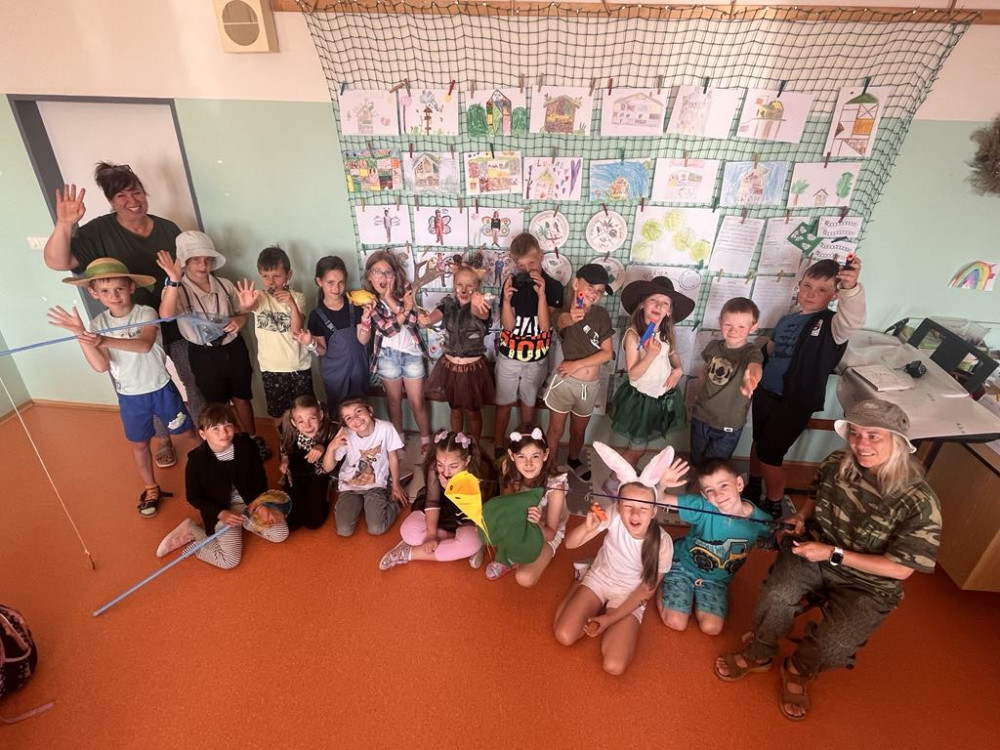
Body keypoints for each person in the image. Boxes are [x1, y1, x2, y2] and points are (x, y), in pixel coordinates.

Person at [714, 399, 942, 721]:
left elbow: (900, 569)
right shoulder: (837, 462)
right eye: (855, 433)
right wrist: (801, 518)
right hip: (814, 551)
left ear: (899, 442)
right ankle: (759, 652)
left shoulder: (920, 502)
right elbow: (816, 497)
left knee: (836, 644)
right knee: (776, 596)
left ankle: (798, 669)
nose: (860, 444)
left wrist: (833, 553)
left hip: (869, 584)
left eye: (873, 436)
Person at [42, 162, 201, 469]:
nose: (132, 200)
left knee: (190, 377)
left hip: (173, 319)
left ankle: (201, 433)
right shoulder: (98, 231)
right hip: (128, 329)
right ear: (111, 201)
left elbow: (187, 272)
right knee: (146, 384)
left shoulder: (168, 229)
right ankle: (163, 439)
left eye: (137, 192)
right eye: (122, 196)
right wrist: (64, 224)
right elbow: (57, 262)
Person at [47, 258, 198, 517]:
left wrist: (102, 340)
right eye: (104, 291)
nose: (113, 296)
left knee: (188, 435)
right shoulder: (98, 324)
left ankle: (208, 472)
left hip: (161, 389)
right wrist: (82, 335)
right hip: (130, 396)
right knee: (139, 444)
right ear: (93, 293)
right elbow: (100, 366)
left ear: (131, 287)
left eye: (119, 288)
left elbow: (145, 345)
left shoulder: (146, 313)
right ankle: (151, 488)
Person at [552, 443, 687, 676]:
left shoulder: (664, 544)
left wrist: (609, 618)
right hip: (600, 579)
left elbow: (646, 590)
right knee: (564, 635)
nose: (635, 514)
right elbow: (569, 544)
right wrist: (586, 528)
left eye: (644, 508)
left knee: (614, 666)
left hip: (629, 594)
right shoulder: (611, 513)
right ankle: (580, 579)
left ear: (654, 511)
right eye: (628, 506)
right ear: (618, 504)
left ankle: (605, 608)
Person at [746, 258, 865, 519]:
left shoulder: (833, 325)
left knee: (770, 455)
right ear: (799, 285)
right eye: (808, 286)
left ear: (834, 295)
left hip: (794, 403)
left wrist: (851, 287)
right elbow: (769, 352)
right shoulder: (787, 320)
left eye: (822, 290)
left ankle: (773, 503)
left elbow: (853, 318)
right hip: (765, 393)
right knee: (758, 442)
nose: (811, 294)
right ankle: (753, 486)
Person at [156, 232, 270, 460]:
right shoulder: (177, 289)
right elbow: (166, 315)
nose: (203, 265)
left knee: (242, 397)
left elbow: (241, 313)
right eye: (196, 260)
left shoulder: (224, 285)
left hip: (233, 347)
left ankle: (251, 439)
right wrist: (173, 279)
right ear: (184, 262)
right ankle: (227, 444)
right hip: (203, 353)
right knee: (218, 404)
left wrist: (242, 317)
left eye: (207, 259)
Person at [155, 404, 289, 569]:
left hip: (251, 503)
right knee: (228, 561)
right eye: (215, 429)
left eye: (228, 426)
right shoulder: (196, 460)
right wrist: (221, 513)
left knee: (280, 534)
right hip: (221, 510)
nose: (224, 433)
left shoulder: (247, 445)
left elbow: (260, 478)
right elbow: (194, 497)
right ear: (203, 434)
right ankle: (192, 530)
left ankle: (245, 523)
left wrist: (260, 505)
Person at [657, 458, 773, 636]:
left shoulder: (762, 520)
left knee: (712, 628)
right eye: (710, 490)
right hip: (683, 566)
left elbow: (773, 539)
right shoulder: (702, 506)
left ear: (739, 484)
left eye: (724, 485)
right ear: (704, 496)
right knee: (676, 622)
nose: (718, 495)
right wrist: (661, 484)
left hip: (716, 580)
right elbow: (660, 499)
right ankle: (663, 579)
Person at [606, 275, 694, 490]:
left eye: (665, 303)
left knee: (641, 447)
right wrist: (650, 355)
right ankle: (612, 481)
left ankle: (627, 471)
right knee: (637, 448)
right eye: (654, 300)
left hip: (660, 398)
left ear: (669, 311)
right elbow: (634, 375)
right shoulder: (633, 335)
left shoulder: (665, 332)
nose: (659, 306)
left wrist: (678, 369)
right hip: (640, 402)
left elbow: (672, 353)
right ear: (642, 305)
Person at [493, 233, 564, 463]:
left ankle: (527, 446)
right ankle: (498, 446)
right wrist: (506, 301)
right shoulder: (512, 283)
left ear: (541, 256)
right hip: (509, 356)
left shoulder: (554, 287)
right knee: (503, 404)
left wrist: (541, 295)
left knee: (529, 405)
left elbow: (544, 326)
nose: (527, 270)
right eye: (521, 266)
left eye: (531, 263)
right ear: (515, 264)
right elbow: (508, 325)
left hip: (536, 358)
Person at [378, 430, 489, 570]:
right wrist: (431, 534)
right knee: (408, 532)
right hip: (441, 513)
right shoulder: (434, 468)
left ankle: (409, 553)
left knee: (471, 543)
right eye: (440, 464)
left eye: (453, 466)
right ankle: (451, 540)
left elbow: (481, 512)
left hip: (467, 519)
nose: (446, 472)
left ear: (467, 461)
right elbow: (432, 502)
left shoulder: (479, 472)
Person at [544, 264, 614, 481]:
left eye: (599, 290)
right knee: (555, 430)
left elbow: (607, 353)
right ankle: (549, 464)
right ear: (576, 283)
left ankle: (573, 459)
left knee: (578, 430)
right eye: (590, 286)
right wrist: (572, 317)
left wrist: (576, 365)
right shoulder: (563, 313)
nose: (594, 293)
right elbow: (562, 322)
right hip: (565, 383)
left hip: (589, 386)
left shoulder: (601, 315)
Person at [235, 246, 314, 429]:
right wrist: (245, 305)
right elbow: (248, 307)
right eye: (265, 276)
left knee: (305, 412)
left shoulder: (298, 298)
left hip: (298, 367)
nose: (271, 282)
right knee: (278, 414)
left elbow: (296, 330)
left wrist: (291, 304)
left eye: (277, 276)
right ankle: (284, 444)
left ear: (289, 274)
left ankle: (306, 442)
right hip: (271, 368)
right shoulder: (260, 297)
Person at [419, 256, 494, 441]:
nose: (464, 290)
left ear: (477, 287)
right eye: (459, 285)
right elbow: (433, 317)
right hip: (450, 368)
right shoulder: (448, 305)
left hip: (473, 370)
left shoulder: (482, 305)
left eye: (470, 286)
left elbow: (481, 314)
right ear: (453, 284)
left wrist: (476, 304)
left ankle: (474, 446)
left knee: (473, 412)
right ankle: (457, 444)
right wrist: (426, 319)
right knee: (455, 410)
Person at [364, 250, 432, 455]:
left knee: (417, 402)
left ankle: (426, 440)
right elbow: (388, 330)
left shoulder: (405, 292)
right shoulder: (369, 301)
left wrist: (393, 301)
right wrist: (403, 310)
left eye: (388, 272)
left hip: (412, 355)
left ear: (395, 274)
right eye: (377, 272)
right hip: (387, 357)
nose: (383, 277)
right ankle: (398, 441)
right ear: (370, 276)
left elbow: (413, 322)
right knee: (393, 402)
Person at [485, 425, 568, 585]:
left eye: (535, 456)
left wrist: (536, 525)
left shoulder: (555, 487)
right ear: (512, 455)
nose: (528, 464)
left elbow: (551, 534)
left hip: (545, 532)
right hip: (519, 523)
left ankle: (520, 554)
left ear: (545, 455)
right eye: (521, 456)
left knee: (525, 578)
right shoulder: (508, 468)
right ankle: (512, 555)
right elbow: (507, 503)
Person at [690, 297, 763, 466]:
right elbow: (704, 374)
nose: (733, 331)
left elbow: (755, 366)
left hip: (728, 425)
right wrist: (698, 397)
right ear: (720, 322)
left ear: (753, 327)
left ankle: (703, 483)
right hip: (701, 417)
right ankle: (695, 481)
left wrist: (752, 379)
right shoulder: (713, 346)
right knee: (696, 461)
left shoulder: (751, 352)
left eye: (741, 327)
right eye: (728, 325)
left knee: (715, 467)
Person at [322, 397, 409, 537]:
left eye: (358, 412)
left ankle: (392, 504)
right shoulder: (345, 434)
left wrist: (396, 485)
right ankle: (360, 506)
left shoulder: (386, 428)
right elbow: (327, 468)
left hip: (375, 486)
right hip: (349, 487)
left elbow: (393, 458)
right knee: (344, 531)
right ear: (345, 423)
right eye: (348, 418)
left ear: (370, 411)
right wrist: (331, 447)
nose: (355, 419)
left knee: (376, 528)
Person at [300, 256, 373, 418]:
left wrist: (366, 317)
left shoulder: (355, 305)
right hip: (335, 374)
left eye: (341, 282)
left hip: (358, 370)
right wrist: (310, 343)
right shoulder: (316, 315)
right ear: (319, 281)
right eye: (330, 283)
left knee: (361, 410)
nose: (336, 288)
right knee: (339, 412)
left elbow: (363, 340)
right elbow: (323, 351)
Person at [278, 395, 338, 531]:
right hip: (296, 475)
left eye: (312, 418)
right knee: (292, 522)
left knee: (314, 522)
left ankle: (324, 495)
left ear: (320, 415)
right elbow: (284, 449)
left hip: (318, 475)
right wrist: (284, 460)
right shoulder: (290, 432)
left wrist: (323, 447)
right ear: (294, 423)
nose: (307, 426)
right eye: (301, 421)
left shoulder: (330, 431)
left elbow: (331, 463)